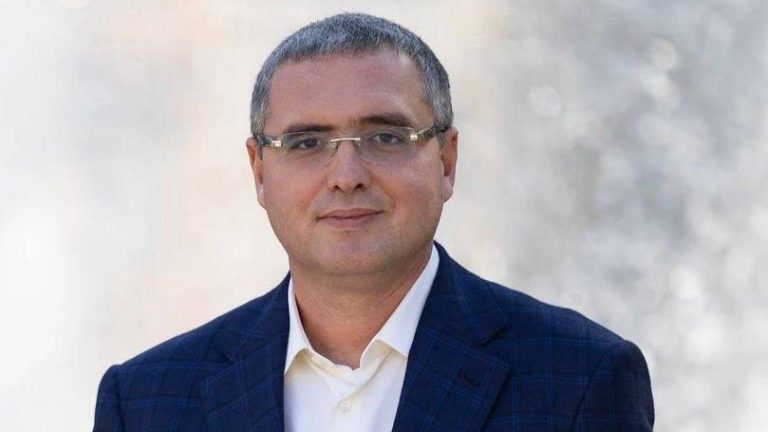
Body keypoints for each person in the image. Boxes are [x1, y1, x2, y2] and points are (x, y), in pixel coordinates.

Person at [93, 13, 654, 432]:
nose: (346, 176)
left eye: (386, 137)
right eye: (306, 143)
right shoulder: (144, 403)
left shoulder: (581, 379)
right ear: (259, 172)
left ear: (446, 161)